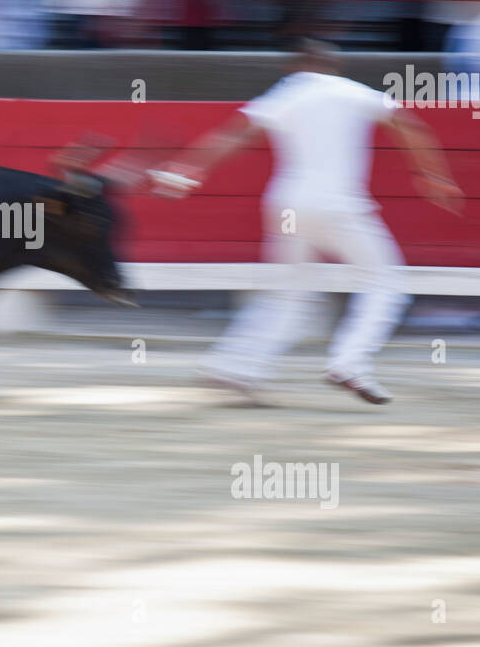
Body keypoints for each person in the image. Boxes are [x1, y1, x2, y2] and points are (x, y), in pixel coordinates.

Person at [149, 40, 463, 405]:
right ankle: (350, 363)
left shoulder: (288, 92)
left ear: (295, 67)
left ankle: (236, 366)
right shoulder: (352, 91)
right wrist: (434, 176)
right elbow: (409, 126)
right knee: (385, 280)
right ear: (334, 65)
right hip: (338, 205)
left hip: (287, 205)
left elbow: (236, 133)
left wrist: (188, 169)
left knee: (288, 290)